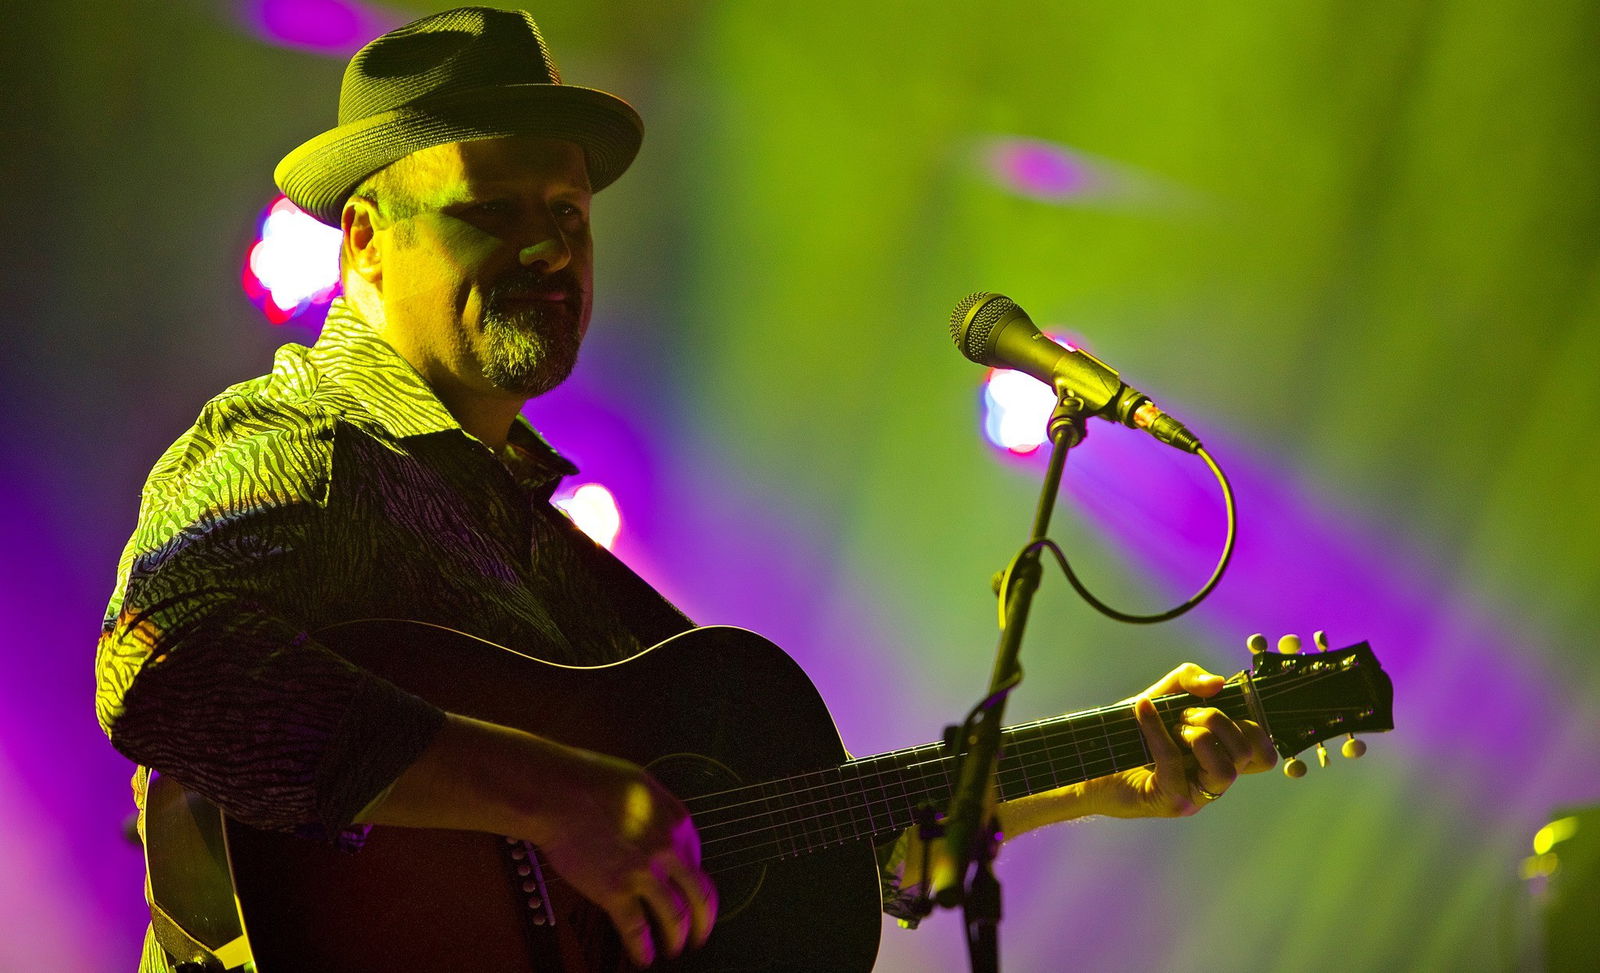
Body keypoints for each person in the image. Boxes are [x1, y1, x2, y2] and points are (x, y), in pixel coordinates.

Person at [96, 8, 1276, 971]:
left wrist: (1091, 776)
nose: (549, 249)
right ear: (363, 240)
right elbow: (160, 667)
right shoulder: (307, 440)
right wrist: (551, 798)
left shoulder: (527, 526)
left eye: (567, 214)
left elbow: (784, 840)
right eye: (491, 210)